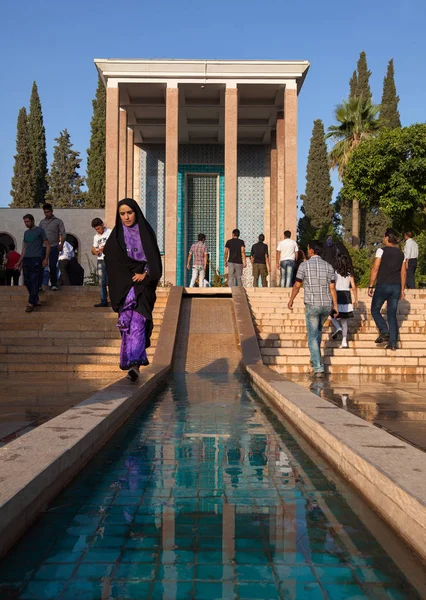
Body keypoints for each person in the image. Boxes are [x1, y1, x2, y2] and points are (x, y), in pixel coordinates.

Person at [104, 198, 162, 382]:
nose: (126, 217)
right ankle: (130, 361)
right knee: (127, 324)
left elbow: (154, 261)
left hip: (143, 287)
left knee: (138, 322)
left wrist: (145, 273)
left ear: (136, 212)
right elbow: (111, 259)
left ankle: (135, 364)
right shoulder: (116, 236)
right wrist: (128, 274)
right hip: (125, 285)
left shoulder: (146, 232)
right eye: (122, 214)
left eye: (129, 212)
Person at [287, 240, 338, 378]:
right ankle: (314, 358)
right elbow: (332, 287)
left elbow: (297, 285)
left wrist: (291, 299)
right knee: (318, 332)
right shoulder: (329, 266)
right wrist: (336, 306)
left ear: (311, 251)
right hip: (326, 305)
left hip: (313, 304)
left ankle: (318, 367)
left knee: (312, 336)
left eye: (308, 248)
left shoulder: (304, 266)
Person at [368, 228, 406, 351]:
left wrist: (371, 285)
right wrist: (402, 289)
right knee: (392, 315)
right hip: (396, 286)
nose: (383, 239)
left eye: (384, 236)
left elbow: (375, 268)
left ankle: (384, 331)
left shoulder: (381, 251)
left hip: (383, 285)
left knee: (374, 309)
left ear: (387, 237)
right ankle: (393, 343)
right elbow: (403, 272)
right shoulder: (401, 254)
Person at [16, 214, 50, 312]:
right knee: (27, 281)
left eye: (28, 221)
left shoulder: (40, 231)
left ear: (32, 221)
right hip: (26, 259)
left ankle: (30, 302)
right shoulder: (26, 233)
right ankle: (36, 299)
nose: (26, 224)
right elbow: (24, 248)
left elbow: (47, 245)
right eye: (25, 222)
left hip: (36, 259)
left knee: (34, 280)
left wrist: (46, 259)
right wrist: (19, 261)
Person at [330, 253, 358, 348]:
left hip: (337, 294)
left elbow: (332, 285)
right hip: (347, 295)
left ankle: (338, 328)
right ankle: (344, 341)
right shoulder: (349, 272)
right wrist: (356, 299)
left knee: (332, 315)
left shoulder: (335, 272)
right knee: (344, 321)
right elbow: (353, 286)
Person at [38, 203, 66, 291]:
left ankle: (54, 284)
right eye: (45, 212)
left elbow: (63, 233)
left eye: (48, 212)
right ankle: (39, 285)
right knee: (41, 265)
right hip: (43, 247)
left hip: (54, 246)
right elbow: (39, 234)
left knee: (53, 265)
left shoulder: (58, 221)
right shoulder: (42, 222)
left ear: (52, 211)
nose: (46, 214)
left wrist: (61, 244)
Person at [91, 218, 112, 307]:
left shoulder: (110, 232)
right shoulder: (96, 237)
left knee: (111, 280)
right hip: (100, 259)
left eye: (99, 228)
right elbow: (93, 249)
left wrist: (106, 247)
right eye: (96, 229)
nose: (98, 231)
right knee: (101, 281)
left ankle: (114, 299)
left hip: (110, 258)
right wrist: (95, 252)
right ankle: (103, 300)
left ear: (102, 225)